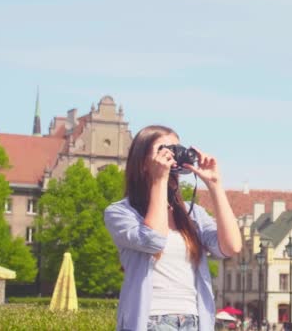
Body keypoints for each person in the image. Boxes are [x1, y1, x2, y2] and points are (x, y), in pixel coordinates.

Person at [104, 125, 242, 331]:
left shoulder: (192, 213)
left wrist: (215, 185)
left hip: (194, 320)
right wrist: (159, 180)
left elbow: (231, 247)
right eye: (163, 149)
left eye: (175, 148)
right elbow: (153, 240)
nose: (171, 154)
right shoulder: (121, 213)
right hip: (150, 319)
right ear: (142, 162)